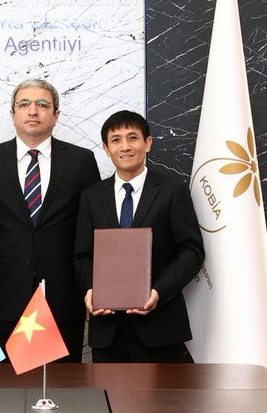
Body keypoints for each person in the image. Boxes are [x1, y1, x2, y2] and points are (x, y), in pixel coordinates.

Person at [0, 78, 100, 359]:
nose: (33, 111)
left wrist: (95, 289)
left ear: (56, 115)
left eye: (42, 105)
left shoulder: (81, 161)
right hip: (1, 300)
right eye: (24, 104)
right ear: (12, 114)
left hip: (63, 300)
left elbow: (94, 232)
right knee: (2, 384)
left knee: (61, 384)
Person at [75, 110, 204, 362]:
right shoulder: (91, 196)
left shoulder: (172, 190)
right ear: (106, 148)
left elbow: (191, 251)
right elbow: (82, 255)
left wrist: (158, 291)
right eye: (116, 140)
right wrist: (90, 289)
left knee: (162, 391)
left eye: (132, 138)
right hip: (107, 330)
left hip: (160, 327)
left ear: (148, 143)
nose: (125, 146)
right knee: (108, 390)